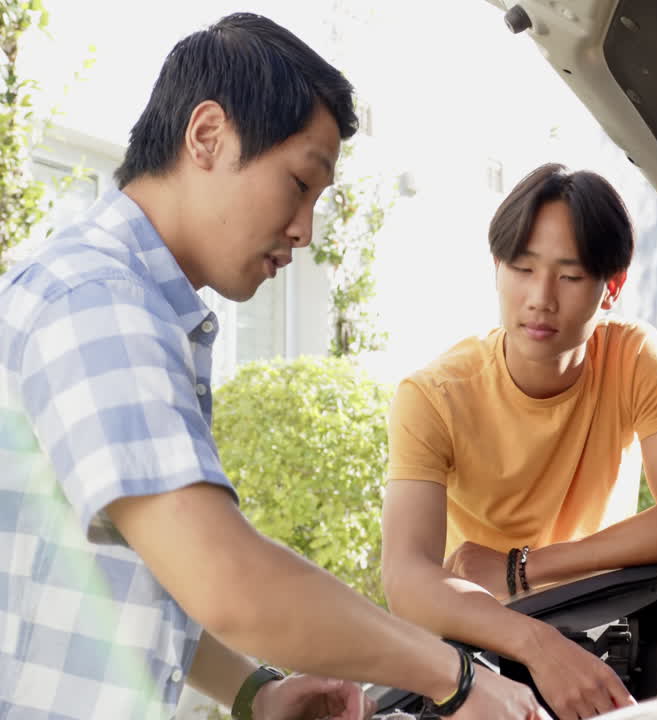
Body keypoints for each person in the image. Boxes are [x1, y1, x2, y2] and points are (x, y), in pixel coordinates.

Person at [0, 13, 544, 720]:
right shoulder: (97, 302)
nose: (305, 231)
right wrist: (458, 679)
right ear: (207, 136)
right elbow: (225, 578)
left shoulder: (124, 302)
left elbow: (127, 576)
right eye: (298, 183)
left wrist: (255, 691)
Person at [381, 163, 657, 719]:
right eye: (522, 268)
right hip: (481, 642)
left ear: (612, 287)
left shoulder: (634, 356)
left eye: (569, 276)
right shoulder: (433, 395)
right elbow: (406, 579)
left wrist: (522, 567)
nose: (540, 298)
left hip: (605, 625)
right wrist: (538, 646)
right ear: (497, 270)